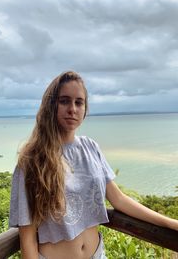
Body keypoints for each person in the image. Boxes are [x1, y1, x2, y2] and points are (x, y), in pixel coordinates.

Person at [9, 71, 178, 259]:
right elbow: (28, 236)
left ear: (85, 109)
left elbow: (119, 199)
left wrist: (170, 223)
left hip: (97, 254)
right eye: (64, 101)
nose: (72, 109)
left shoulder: (90, 147)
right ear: (51, 106)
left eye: (79, 102)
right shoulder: (32, 160)